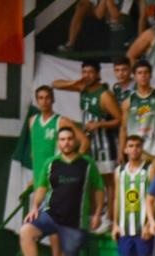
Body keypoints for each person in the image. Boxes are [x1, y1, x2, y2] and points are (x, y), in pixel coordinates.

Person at [15, 126, 105, 256]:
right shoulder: (51, 163)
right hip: (51, 215)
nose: (66, 143)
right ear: (58, 143)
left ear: (75, 141)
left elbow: (98, 188)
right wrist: (35, 207)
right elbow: (41, 187)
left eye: (69, 139)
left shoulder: (87, 164)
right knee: (26, 231)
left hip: (75, 220)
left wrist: (98, 213)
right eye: (62, 140)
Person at [53, 60, 122, 228]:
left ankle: (110, 218)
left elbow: (120, 119)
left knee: (108, 183)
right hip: (89, 143)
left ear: (98, 74)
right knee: (91, 180)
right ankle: (95, 215)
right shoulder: (82, 87)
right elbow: (55, 84)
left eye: (90, 72)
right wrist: (76, 82)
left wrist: (99, 124)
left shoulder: (104, 94)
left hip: (105, 143)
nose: (87, 75)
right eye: (84, 72)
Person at [27, 86, 88, 256]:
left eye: (47, 98)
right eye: (40, 98)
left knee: (55, 219)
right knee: (41, 223)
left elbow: (84, 141)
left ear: (53, 100)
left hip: (57, 181)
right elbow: (35, 151)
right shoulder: (32, 121)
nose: (44, 101)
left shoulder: (61, 121)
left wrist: (72, 165)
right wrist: (33, 178)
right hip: (40, 180)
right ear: (37, 100)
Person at [113, 135, 155, 256]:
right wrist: (115, 224)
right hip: (125, 227)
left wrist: (149, 223)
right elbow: (117, 198)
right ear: (125, 149)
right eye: (131, 146)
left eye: (138, 146)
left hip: (143, 226)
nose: (134, 149)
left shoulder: (149, 169)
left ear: (142, 148)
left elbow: (154, 199)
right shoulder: (119, 171)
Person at [118, 60, 155, 157]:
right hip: (136, 150)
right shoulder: (128, 101)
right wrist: (120, 151)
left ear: (150, 75)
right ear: (134, 76)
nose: (143, 75)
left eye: (146, 72)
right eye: (139, 73)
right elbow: (123, 128)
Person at [60, 0, 124, 53]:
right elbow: (97, 12)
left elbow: (100, 15)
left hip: (113, 14)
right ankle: (70, 44)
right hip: (96, 7)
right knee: (81, 6)